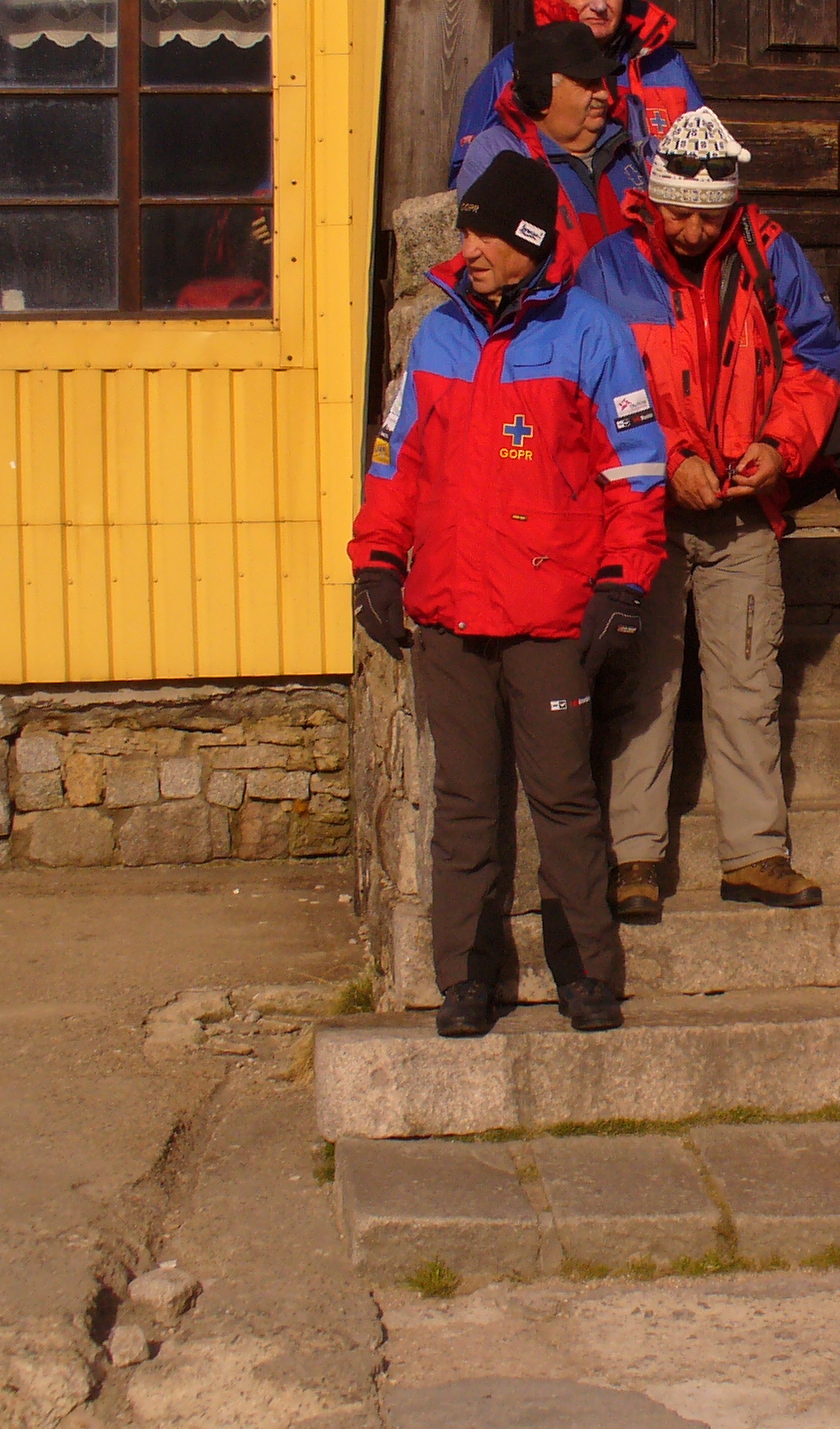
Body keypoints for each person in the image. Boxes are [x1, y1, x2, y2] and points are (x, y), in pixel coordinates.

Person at [347, 153, 667, 1039]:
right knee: (462, 806)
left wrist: (623, 582)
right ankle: (464, 979)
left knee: (564, 800)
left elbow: (636, 474)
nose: (472, 249)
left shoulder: (594, 335)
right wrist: (378, 561)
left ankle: (588, 973)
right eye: (467, 232)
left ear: (533, 243)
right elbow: (396, 463)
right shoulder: (437, 337)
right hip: (450, 612)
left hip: (550, 619)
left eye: (489, 235)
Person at [573, 108, 840, 922]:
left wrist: (779, 447)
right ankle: (632, 858)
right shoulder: (607, 268)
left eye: (709, 217)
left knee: (748, 685)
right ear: (653, 200)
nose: (693, 231)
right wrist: (667, 461)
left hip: (742, 508)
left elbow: (817, 358)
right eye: (679, 214)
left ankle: (755, 854)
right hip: (644, 514)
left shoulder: (771, 254)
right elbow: (594, 387)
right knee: (642, 686)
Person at [450, 0, 703, 187]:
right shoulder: (514, 64)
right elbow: (469, 170)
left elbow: (707, 152)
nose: (600, 5)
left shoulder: (665, 64)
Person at [458, 21, 642, 278]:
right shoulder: (497, 155)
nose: (603, 95)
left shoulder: (634, 146)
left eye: (601, 82)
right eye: (588, 83)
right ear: (541, 93)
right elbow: (498, 268)